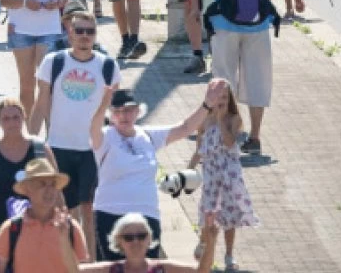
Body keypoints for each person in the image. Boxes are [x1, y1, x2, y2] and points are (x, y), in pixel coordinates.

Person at [89, 82, 229, 261]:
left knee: (148, 267)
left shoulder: (147, 135)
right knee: (112, 267)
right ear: (111, 115)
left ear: (138, 112)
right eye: (118, 111)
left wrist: (207, 105)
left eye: (130, 110)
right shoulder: (105, 136)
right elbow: (93, 128)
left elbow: (185, 128)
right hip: (110, 213)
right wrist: (103, 104)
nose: (124, 115)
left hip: (147, 215)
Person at [28, 9, 120, 254]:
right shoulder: (54, 62)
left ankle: (89, 264)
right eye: (79, 31)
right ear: (69, 32)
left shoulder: (108, 66)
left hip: (92, 149)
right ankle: (65, 260)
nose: (84, 36)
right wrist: (31, 144)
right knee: (63, 211)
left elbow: (115, 112)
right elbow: (41, 104)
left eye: (90, 32)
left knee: (89, 211)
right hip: (58, 147)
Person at [189, 0, 279, 155]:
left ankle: (225, 132)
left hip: (224, 23)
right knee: (257, 80)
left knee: (223, 78)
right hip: (258, 23)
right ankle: (255, 136)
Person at [0, 98, 57, 271]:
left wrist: (61, 223)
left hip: (34, 230)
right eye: (6, 119)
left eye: (16, 117)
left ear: (24, 117)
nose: (12, 123)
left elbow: (56, 190)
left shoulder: (40, 150)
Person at [187, 82, 258, 271]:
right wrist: (188, 171)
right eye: (217, 97)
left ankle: (229, 255)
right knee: (209, 212)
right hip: (211, 175)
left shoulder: (234, 119)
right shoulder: (203, 120)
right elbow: (199, 150)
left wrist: (220, 120)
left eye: (224, 97)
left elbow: (229, 143)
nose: (221, 101)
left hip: (229, 175)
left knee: (229, 216)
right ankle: (204, 243)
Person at [0, 159, 87, 272]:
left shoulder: (71, 228)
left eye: (53, 185)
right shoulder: (11, 229)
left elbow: (79, 270)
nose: (49, 190)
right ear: (27, 189)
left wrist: (64, 240)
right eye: (42, 184)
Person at [77, 213, 202, 272]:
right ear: (119, 241)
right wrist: (63, 239)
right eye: (128, 237)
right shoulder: (111, 269)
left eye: (141, 236)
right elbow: (74, 271)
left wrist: (209, 240)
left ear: (149, 239)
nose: (135, 241)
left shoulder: (162, 267)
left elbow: (202, 270)